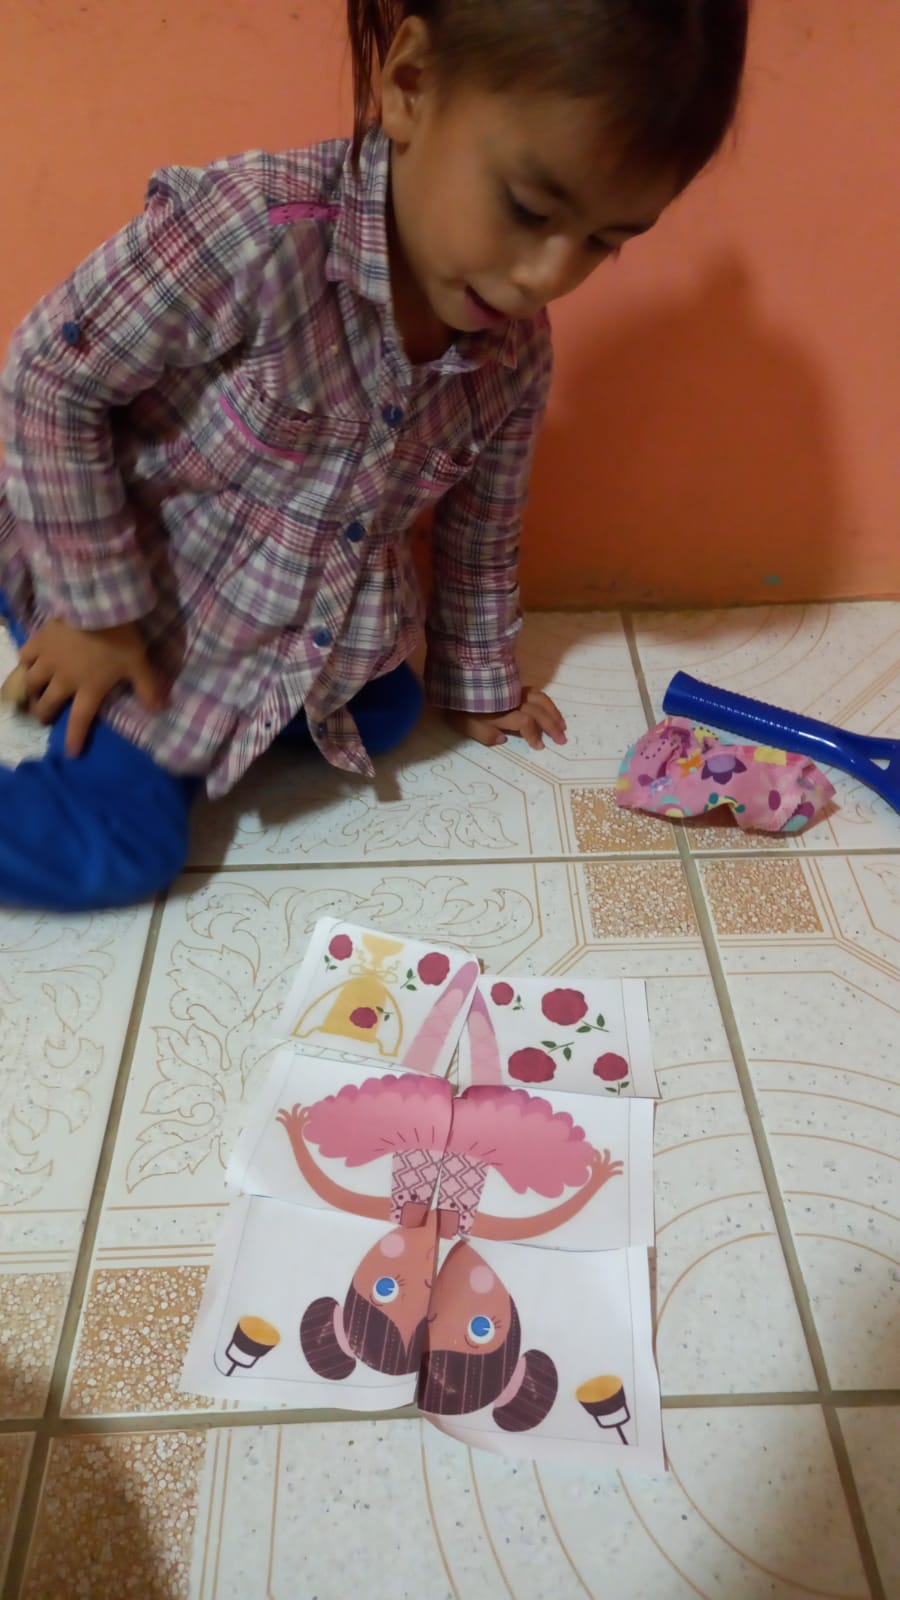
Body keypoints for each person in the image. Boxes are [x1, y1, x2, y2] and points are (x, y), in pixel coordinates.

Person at [0, 0, 749, 911]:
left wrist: (479, 676)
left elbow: (482, 528)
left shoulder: (515, 352)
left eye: (603, 243)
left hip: (300, 602)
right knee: (121, 843)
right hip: (141, 588)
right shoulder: (253, 230)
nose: (545, 276)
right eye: (526, 208)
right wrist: (94, 615)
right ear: (410, 86)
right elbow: (48, 376)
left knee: (391, 709)